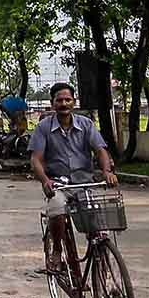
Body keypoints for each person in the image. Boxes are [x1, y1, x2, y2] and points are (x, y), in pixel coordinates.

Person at [27, 82, 116, 276]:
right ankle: (58, 250)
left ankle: (104, 270)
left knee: (99, 227)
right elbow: (36, 159)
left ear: (74, 102)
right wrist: (45, 180)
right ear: (53, 104)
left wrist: (107, 171)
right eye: (59, 100)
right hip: (59, 184)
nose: (64, 103)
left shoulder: (86, 124)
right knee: (57, 209)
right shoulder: (43, 127)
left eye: (68, 100)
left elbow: (100, 150)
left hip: (85, 182)